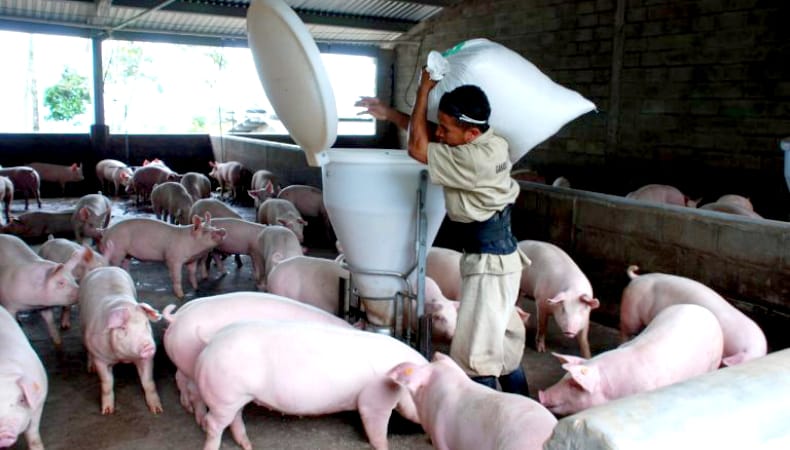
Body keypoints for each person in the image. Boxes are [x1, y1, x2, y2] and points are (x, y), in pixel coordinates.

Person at [357, 74, 530, 396]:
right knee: (501, 346)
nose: (439, 132)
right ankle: (524, 410)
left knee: (474, 355)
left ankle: (479, 417)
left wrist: (424, 89)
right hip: (504, 261)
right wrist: (390, 114)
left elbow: (418, 147)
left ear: (471, 133)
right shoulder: (493, 142)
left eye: (446, 129)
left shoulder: (472, 160)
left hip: (488, 266)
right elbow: (431, 134)